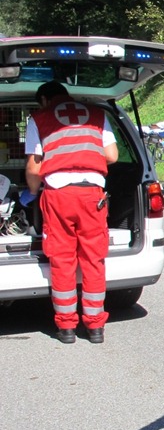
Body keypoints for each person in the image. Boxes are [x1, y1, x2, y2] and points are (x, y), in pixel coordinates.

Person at [23, 81, 118, 344]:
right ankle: (95, 328)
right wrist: (85, 158)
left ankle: (66, 328)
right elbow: (112, 155)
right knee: (93, 259)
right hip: (93, 195)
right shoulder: (97, 114)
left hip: (59, 196)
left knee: (62, 259)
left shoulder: (39, 118)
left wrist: (32, 192)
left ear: (44, 100)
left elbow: (34, 167)